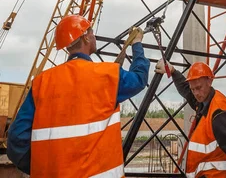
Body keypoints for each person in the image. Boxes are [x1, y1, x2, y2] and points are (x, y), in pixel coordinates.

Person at [7, 14, 150, 177]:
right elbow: (139, 79)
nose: (94, 36)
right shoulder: (106, 75)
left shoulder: (42, 82)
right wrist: (137, 43)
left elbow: (17, 137)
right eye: (92, 32)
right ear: (86, 38)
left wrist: (41, 168)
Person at [155, 60, 226, 178]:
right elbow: (186, 90)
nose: (196, 93)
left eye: (198, 88)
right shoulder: (203, 101)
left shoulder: (219, 113)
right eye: (193, 89)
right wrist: (173, 71)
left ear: (210, 81)